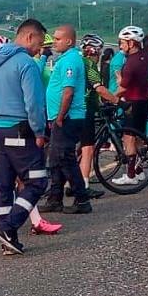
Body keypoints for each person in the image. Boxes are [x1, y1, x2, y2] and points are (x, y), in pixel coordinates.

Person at [0, 19, 50, 255]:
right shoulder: (26, 64)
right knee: (37, 181)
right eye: (39, 43)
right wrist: (39, 132)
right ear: (29, 37)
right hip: (21, 130)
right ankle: (9, 226)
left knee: (3, 186)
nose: (39, 49)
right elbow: (33, 104)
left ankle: (7, 237)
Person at [109, 6, 148, 187]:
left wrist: (107, 96)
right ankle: (140, 171)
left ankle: (131, 174)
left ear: (131, 43)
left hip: (133, 103)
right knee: (140, 136)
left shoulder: (130, 64)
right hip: (145, 101)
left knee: (129, 138)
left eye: (122, 42)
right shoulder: (146, 52)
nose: (120, 46)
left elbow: (122, 89)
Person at [41, 25, 93, 214]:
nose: (54, 42)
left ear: (69, 41)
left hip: (68, 117)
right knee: (55, 159)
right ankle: (55, 198)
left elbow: (68, 91)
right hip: (60, 116)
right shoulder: (64, 59)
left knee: (66, 159)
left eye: (57, 39)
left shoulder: (70, 60)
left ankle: (82, 199)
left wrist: (61, 116)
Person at [77, 35, 108, 197]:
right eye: (100, 52)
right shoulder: (89, 65)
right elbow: (99, 89)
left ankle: (73, 183)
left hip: (75, 109)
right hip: (84, 110)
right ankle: (84, 186)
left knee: (77, 148)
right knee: (88, 148)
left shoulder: (78, 62)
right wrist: (118, 101)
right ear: (94, 51)